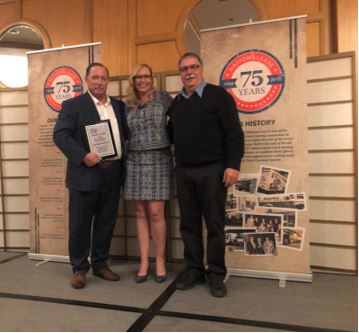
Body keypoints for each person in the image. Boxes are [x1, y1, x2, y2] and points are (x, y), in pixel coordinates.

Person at [167, 52, 244, 297]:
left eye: (193, 67)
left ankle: (216, 274)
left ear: (201, 69)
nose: (188, 72)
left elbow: (234, 133)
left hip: (213, 170)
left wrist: (233, 165)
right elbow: (172, 135)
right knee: (188, 225)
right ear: (179, 73)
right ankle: (194, 269)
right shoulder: (176, 103)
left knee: (214, 225)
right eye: (183, 69)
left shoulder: (219, 97)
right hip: (185, 171)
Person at [53, 63, 126, 289]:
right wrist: (83, 155)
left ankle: (100, 264)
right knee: (80, 225)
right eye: (94, 77)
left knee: (106, 222)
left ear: (108, 81)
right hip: (85, 173)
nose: (99, 81)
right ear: (86, 79)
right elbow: (61, 136)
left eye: (103, 78)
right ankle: (79, 268)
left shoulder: (120, 106)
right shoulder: (73, 105)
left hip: (113, 173)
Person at [124, 64, 173, 283]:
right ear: (132, 81)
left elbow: (178, 126)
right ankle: (144, 261)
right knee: (140, 212)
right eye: (138, 77)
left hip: (159, 159)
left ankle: (160, 259)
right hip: (134, 159)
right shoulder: (128, 105)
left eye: (146, 76)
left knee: (155, 211)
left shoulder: (165, 99)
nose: (143, 80)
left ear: (152, 78)